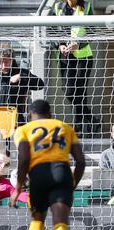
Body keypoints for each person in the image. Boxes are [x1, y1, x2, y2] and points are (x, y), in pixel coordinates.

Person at [11, 99, 85, 230]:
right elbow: (81, 160)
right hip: (62, 174)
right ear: (51, 114)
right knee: (60, 222)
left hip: (38, 175)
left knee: (37, 220)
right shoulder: (64, 127)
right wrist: (72, 183)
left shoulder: (23, 129)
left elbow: (24, 157)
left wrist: (19, 186)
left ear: (30, 115)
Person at [54, 0, 100, 135]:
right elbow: (52, 30)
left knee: (80, 92)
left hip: (83, 56)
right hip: (65, 57)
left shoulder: (87, 6)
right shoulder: (58, 7)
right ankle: (91, 119)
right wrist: (59, 45)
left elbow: (92, 31)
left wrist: (78, 44)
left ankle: (78, 128)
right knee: (69, 92)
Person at [0, 42, 45, 126]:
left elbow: (40, 84)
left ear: (11, 59)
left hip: (15, 118)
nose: (3, 66)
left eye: (6, 62)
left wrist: (22, 77)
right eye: (0, 62)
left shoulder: (21, 72)